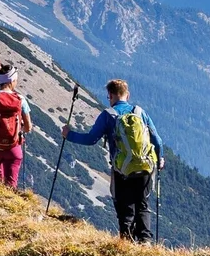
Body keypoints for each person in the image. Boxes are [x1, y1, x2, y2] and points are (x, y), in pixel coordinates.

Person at [65, 78, 163, 241]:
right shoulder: (140, 112)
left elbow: (91, 139)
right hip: (145, 167)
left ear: (110, 95)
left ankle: (126, 242)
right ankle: (145, 241)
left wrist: (69, 135)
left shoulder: (108, 115)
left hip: (121, 169)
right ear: (127, 94)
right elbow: (157, 140)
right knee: (142, 205)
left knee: (125, 207)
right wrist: (160, 159)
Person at [0, 63, 34, 188]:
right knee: (11, 183)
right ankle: (7, 204)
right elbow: (28, 127)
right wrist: (18, 128)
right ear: (12, 80)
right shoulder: (21, 99)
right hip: (13, 148)